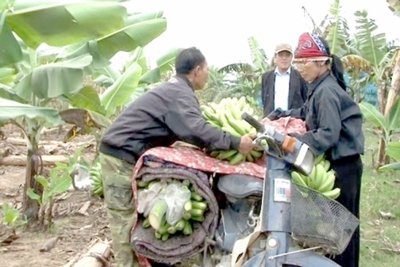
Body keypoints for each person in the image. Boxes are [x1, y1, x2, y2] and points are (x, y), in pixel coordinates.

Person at [98, 47, 256, 267]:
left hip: (125, 152)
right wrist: (236, 142)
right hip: (119, 155)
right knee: (123, 222)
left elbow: (184, 129)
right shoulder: (180, 93)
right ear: (197, 70)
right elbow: (197, 128)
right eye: (207, 68)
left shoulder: (174, 89)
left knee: (132, 219)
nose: (208, 73)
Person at [265, 33, 364, 267]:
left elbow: (328, 133)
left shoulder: (327, 91)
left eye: (304, 62)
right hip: (340, 162)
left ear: (322, 62)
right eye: (298, 62)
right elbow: (309, 112)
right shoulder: (318, 86)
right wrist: (284, 114)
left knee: (343, 227)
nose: (301, 68)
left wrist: (294, 138)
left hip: (345, 165)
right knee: (337, 224)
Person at [260, 43, 308, 117]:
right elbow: (265, 100)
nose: (284, 58)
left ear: (291, 57)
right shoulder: (266, 77)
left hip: (293, 122)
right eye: (281, 55)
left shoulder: (300, 76)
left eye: (287, 55)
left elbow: (306, 99)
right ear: (275, 57)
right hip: (272, 121)